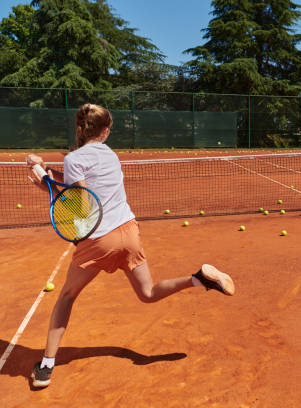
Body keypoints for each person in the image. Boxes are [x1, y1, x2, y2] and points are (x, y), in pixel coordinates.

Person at [26, 103, 235, 388]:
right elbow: (85, 182)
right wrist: (48, 173)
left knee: (66, 297)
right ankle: (198, 279)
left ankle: (46, 366)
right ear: (106, 131)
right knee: (147, 293)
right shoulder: (111, 155)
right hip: (129, 231)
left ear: (79, 129)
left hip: (101, 239)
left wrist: (43, 184)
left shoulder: (75, 159)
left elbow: (82, 206)